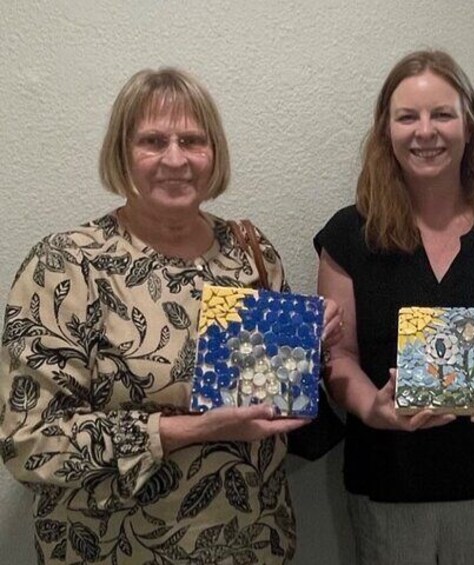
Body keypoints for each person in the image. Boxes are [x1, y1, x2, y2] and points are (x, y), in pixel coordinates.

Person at [0, 67, 340, 564]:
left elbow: (274, 398)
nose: (175, 159)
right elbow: (29, 442)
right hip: (111, 548)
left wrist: (310, 347)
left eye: (192, 141)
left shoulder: (250, 252)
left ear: (214, 153)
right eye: (153, 142)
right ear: (122, 153)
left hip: (250, 542)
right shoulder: (67, 265)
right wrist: (193, 430)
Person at [315, 49, 474, 565]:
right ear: (386, 130)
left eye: (442, 114)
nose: (426, 132)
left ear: (469, 125)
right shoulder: (349, 235)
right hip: (388, 484)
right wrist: (374, 409)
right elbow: (339, 357)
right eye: (408, 117)